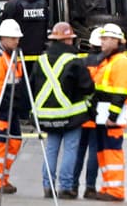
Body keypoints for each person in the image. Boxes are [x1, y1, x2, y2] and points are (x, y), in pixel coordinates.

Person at [33, 21, 95, 200]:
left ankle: (48, 185)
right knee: (70, 150)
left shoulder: (41, 59)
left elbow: (31, 85)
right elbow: (87, 87)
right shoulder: (74, 61)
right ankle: (65, 187)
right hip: (70, 116)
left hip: (46, 115)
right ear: (68, 40)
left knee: (51, 149)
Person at [0, 19, 27, 195]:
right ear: (4, 38)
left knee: (14, 141)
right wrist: (7, 105)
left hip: (10, 104)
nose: (17, 41)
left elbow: (18, 81)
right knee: (0, 142)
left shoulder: (12, 56)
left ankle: (2, 177)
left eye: (17, 38)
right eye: (13, 38)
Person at [91, 23, 127, 201]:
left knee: (112, 152)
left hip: (110, 117)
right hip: (103, 115)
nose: (101, 42)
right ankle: (108, 187)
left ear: (116, 41)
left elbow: (121, 92)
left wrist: (112, 117)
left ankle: (115, 190)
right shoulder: (109, 60)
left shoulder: (121, 62)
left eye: (105, 38)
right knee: (104, 152)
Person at [77, 27, 106, 199]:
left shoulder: (81, 63)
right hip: (99, 113)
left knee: (78, 151)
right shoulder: (106, 64)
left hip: (82, 113)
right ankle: (90, 187)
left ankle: (72, 185)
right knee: (95, 151)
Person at [1, 0, 50, 69]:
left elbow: (3, 28)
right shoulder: (43, 3)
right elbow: (46, 25)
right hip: (38, 54)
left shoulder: (12, 4)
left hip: (17, 55)